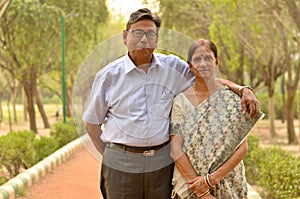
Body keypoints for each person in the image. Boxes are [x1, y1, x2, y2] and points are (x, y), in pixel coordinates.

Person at [82, 8, 260, 199]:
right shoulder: (108, 76)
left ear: (157, 39)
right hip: (121, 160)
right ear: (125, 37)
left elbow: (204, 77)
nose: (144, 39)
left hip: (161, 163)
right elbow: (91, 124)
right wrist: (113, 155)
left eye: (150, 34)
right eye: (138, 33)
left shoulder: (173, 67)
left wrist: (242, 89)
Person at [170, 39, 264, 199]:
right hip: (190, 185)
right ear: (190, 66)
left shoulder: (232, 99)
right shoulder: (181, 102)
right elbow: (176, 149)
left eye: (208, 58)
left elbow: (242, 148)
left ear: (216, 62)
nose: (203, 64)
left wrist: (209, 180)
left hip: (229, 182)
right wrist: (202, 191)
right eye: (197, 59)